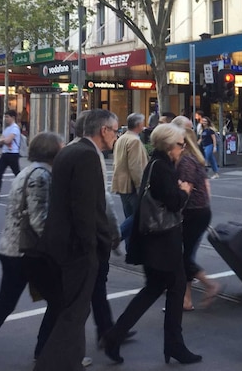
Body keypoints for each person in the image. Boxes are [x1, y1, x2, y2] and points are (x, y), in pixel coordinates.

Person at [0, 132, 65, 371]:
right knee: (60, 302)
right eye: (62, 147)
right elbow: (40, 221)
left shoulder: (28, 172)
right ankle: (45, 353)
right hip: (28, 253)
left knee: (4, 306)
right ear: (52, 151)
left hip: (12, 249)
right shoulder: (41, 175)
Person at [102, 124, 201, 365]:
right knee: (175, 287)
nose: (183, 148)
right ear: (169, 146)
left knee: (154, 288)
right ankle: (174, 345)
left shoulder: (155, 164)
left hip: (152, 241)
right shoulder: (162, 169)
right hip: (163, 241)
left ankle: (114, 336)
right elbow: (174, 202)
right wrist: (185, 191)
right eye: (180, 144)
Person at [33, 110, 116, 371]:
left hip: (60, 244)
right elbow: (87, 209)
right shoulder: (88, 156)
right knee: (74, 313)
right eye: (115, 130)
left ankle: (60, 361)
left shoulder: (69, 150)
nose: (116, 136)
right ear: (103, 130)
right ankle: (58, 364)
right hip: (77, 248)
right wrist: (95, 247)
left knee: (70, 310)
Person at [173, 124, 220, 311]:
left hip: (193, 212)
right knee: (185, 255)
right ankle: (186, 299)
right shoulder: (195, 159)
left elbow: (186, 190)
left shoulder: (185, 162)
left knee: (182, 257)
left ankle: (209, 284)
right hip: (199, 211)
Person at [112, 113, 149, 219]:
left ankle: (124, 234)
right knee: (135, 218)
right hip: (131, 185)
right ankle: (122, 234)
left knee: (128, 215)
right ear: (139, 124)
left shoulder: (122, 138)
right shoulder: (134, 141)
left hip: (121, 183)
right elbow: (135, 166)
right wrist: (140, 186)